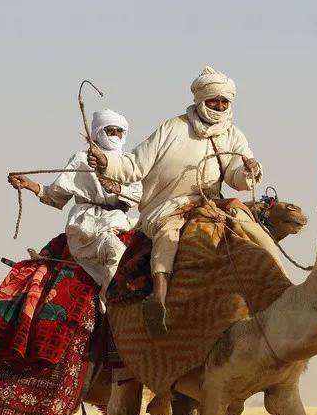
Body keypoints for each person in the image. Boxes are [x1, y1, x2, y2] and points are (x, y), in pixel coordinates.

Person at [86, 66, 266, 335]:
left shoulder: (232, 135)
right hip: (167, 205)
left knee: (245, 220)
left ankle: (269, 280)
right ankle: (159, 296)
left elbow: (236, 176)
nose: (218, 106)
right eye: (213, 100)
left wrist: (249, 170)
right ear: (201, 100)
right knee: (169, 233)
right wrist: (106, 161)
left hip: (209, 203)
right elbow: (133, 164)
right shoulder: (172, 128)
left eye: (223, 101)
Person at [9, 110, 141, 304]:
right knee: (115, 252)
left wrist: (118, 188)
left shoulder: (128, 163)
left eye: (118, 131)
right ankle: (114, 303)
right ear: (98, 132)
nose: (114, 135)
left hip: (119, 219)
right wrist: (30, 185)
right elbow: (55, 196)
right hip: (89, 224)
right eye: (109, 130)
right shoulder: (82, 159)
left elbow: (139, 194)